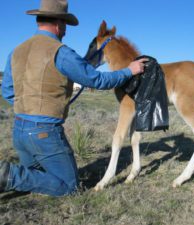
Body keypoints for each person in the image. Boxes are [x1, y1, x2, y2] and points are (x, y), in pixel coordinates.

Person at [0, 0, 147, 197]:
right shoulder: (61, 52)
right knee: (70, 187)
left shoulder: (15, 51)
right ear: (59, 24)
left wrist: (27, 111)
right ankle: (10, 176)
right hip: (44, 134)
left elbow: (8, 91)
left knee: (37, 177)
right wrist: (129, 71)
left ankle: (14, 177)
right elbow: (97, 80)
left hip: (19, 130)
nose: (65, 32)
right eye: (65, 27)